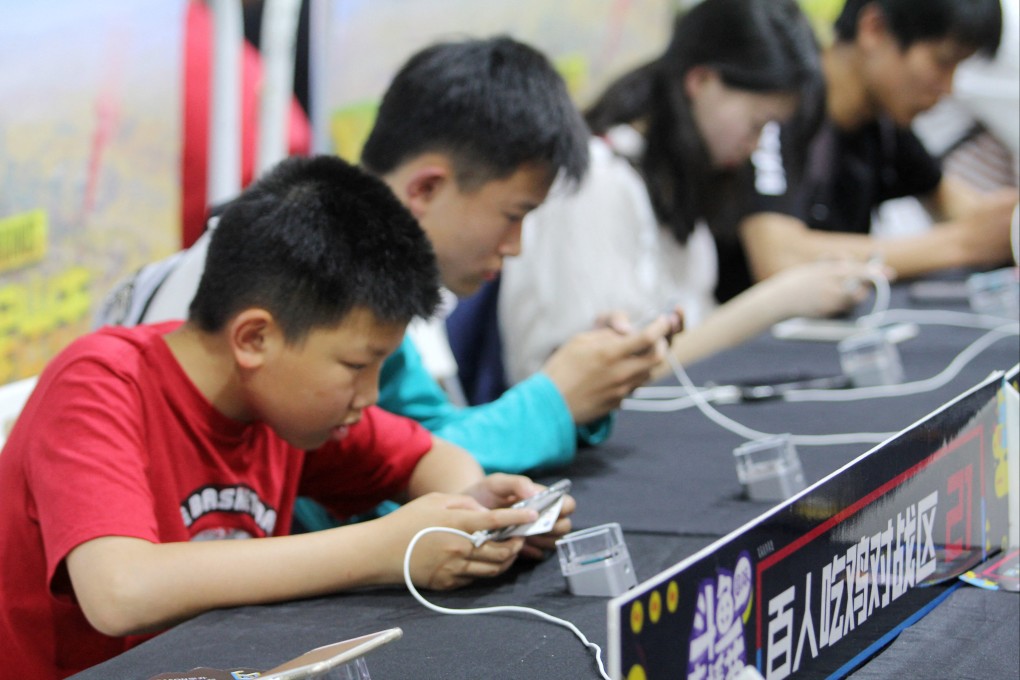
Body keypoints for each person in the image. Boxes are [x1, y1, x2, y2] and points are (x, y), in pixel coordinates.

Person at [0, 155, 571, 679]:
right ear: (255, 338)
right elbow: (121, 591)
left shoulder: (279, 403)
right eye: (356, 365)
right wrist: (383, 550)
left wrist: (470, 507)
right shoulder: (99, 382)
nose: (369, 396)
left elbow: (431, 457)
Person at [96, 37, 673, 480]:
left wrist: (578, 394)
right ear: (425, 189)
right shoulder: (276, 270)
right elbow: (329, 488)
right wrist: (557, 398)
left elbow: (417, 445)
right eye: (512, 214)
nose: (515, 246)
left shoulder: (378, 279)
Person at [499, 0, 884, 385]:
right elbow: (603, 376)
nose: (754, 147)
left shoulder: (676, 176)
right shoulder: (596, 183)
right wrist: (777, 300)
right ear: (700, 82)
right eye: (756, 124)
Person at [734, 0, 1018, 296]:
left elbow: (961, 209)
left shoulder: (882, 124)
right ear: (874, 28)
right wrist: (963, 244)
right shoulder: (782, 104)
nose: (948, 87)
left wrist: (1002, 226)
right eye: (942, 62)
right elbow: (777, 258)